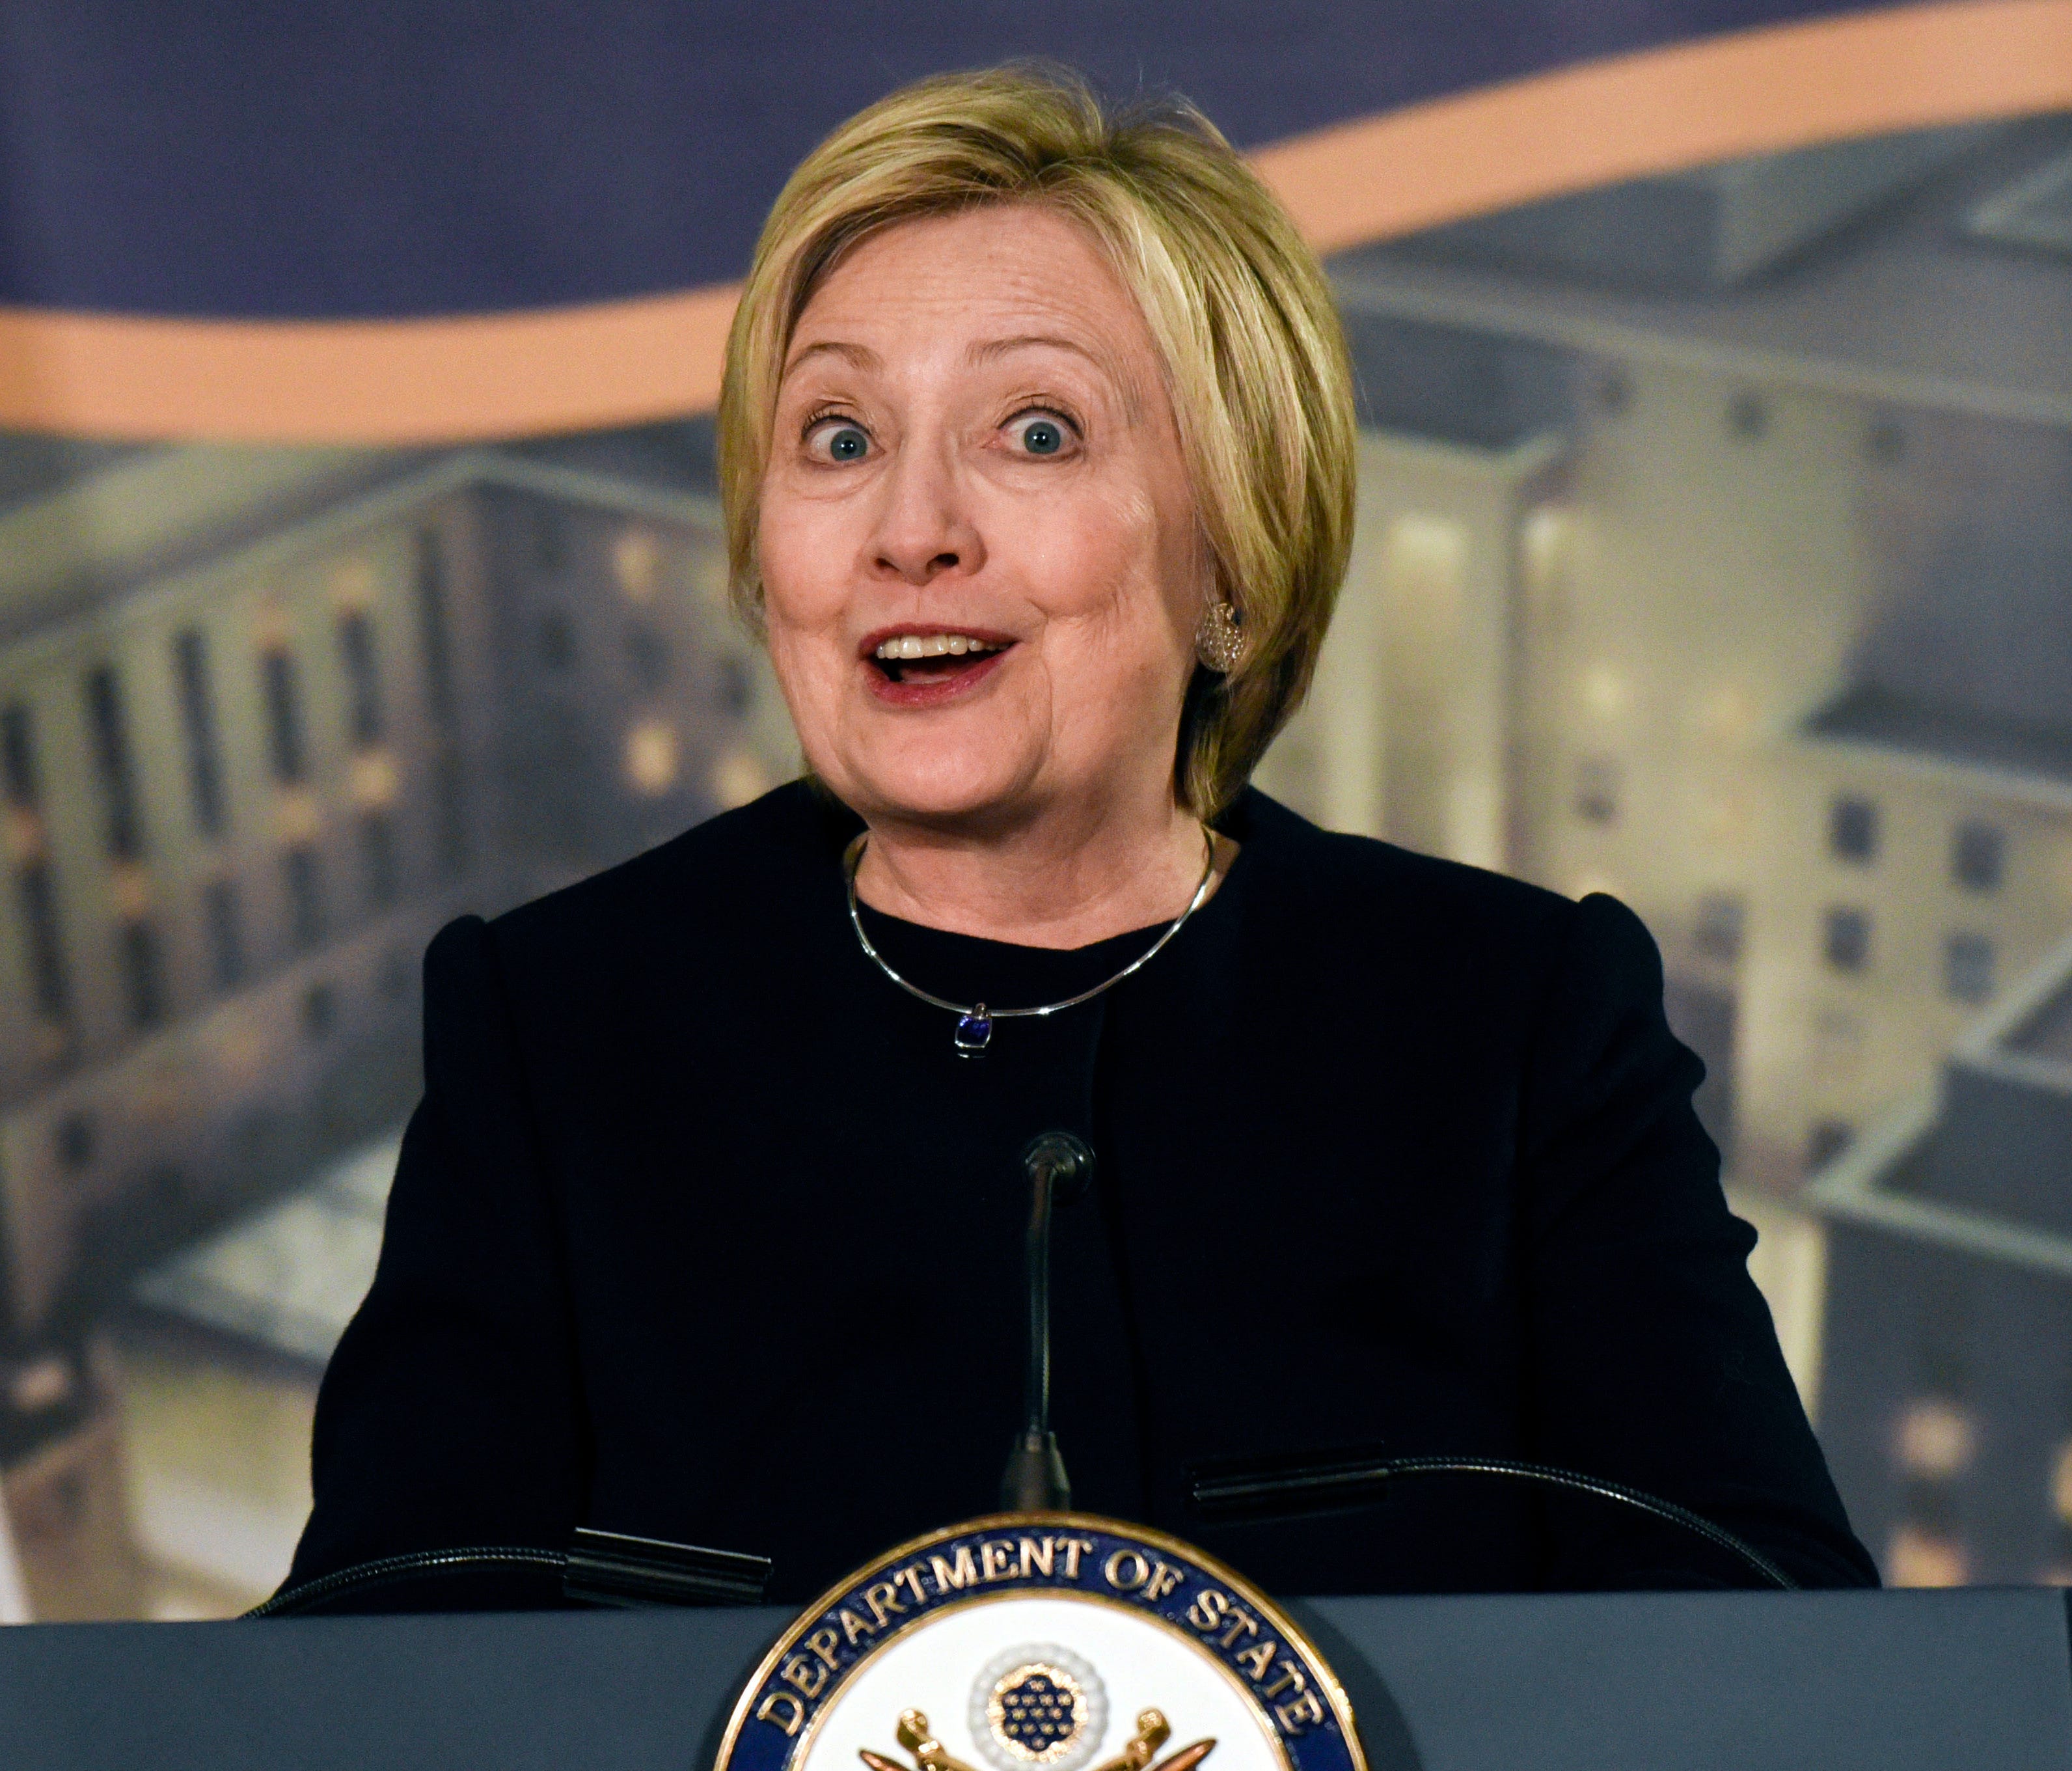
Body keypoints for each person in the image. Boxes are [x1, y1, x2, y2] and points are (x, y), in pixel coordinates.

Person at [286, 65, 1875, 1606]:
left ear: (1235, 557)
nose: (912, 528)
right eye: (837, 438)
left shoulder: (1515, 1017)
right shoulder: (561, 1024)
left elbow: (1750, 1615)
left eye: (1033, 431)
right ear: (766, 556)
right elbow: (370, 1672)